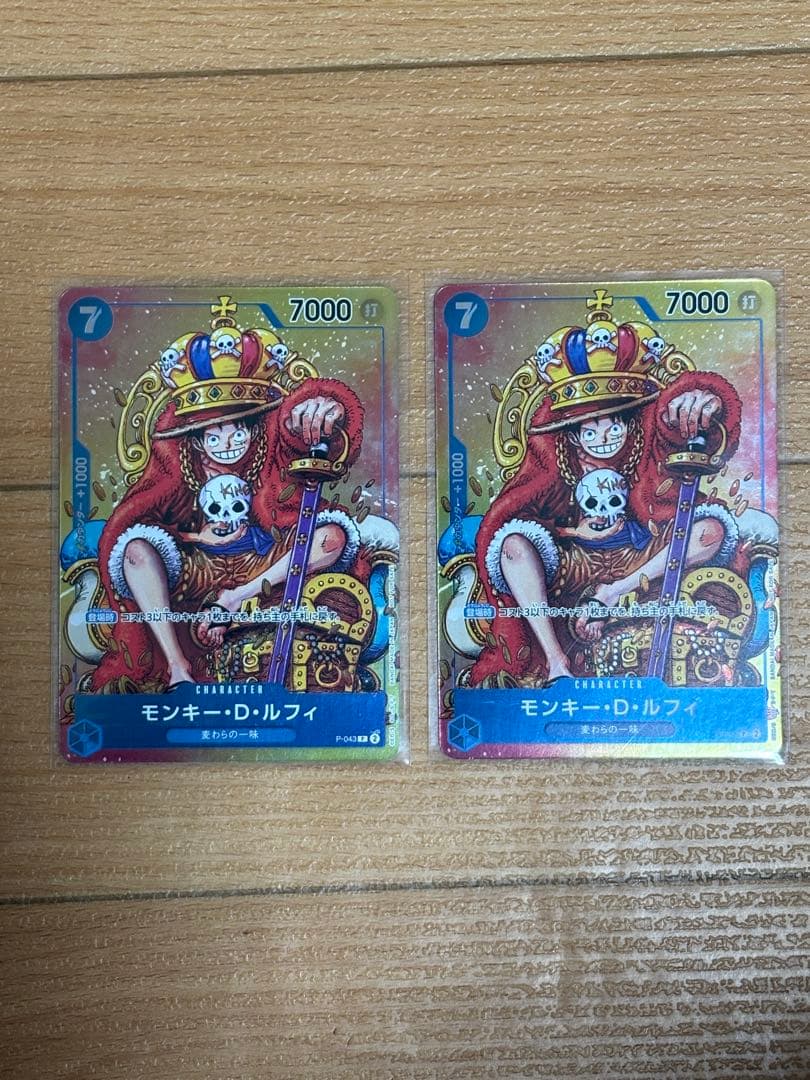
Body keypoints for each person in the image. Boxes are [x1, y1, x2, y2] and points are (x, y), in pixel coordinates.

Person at [470, 295, 742, 687]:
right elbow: (514, 516)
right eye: (591, 429)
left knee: (711, 530)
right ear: (573, 435)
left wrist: (700, 398)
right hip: (573, 562)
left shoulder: (645, 446)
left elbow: (679, 419)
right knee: (512, 545)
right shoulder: (553, 461)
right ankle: (556, 662)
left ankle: (614, 592)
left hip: (640, 557)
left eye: (613, 425)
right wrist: (572, 532)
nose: (604, 438)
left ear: (629, 424)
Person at [92, 303, 364, 691]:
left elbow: (299, 427)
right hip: (197, 567)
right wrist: (195, 538)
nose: (228, 444)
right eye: (214, 435)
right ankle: (177, 667)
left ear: (253, 429)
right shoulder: (176, 465)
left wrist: (322, 406)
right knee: (135, 551)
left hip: (263, 562)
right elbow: (139, 519)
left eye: (238, 431)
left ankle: (236, 598)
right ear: (196, 440)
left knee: (333, 536)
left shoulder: (269, 449)